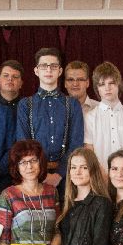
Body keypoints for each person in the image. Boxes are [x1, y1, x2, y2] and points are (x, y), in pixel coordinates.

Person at [16, 48, 85, 193]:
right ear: (36, 71)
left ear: (60, 71)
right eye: (44, 66)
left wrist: (59, 174)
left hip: (67, 175)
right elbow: (24, 143)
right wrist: (41, 173)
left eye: (53, 66)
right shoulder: (25, 104)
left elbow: (76, 143)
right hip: (34, 175)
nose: (48, 70)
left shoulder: (72, 104)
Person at [84, 61, 123, 171]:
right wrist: (102, 177)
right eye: (102, 84)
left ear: (119, 84)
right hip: (99, 177)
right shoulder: (89, 118)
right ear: (97, 88)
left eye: (111, 83)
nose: (107, 88)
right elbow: (89, 153)